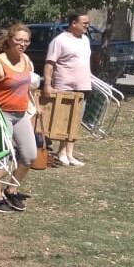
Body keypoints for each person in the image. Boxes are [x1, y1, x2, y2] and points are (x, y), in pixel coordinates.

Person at [0, 24, 38, 213]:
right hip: (1, 114)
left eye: (26, 41)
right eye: (18, 40)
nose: (22, 44)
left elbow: (26, 87)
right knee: (3, 158)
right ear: (10, 40)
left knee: (29, 155)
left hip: (21, 114)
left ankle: (12, 189)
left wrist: (34, 104)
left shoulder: (27, 60)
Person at [43, 10, 92, 167]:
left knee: (75, 122)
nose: (87, 26)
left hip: (83, 87)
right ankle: (61, 152)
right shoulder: (59, 41)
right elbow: (50, 63)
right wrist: (47, 84)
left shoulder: (85, 39)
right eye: (84, 23)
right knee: (64, 121)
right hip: (65, 87)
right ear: (73, 23)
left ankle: (69, 153)